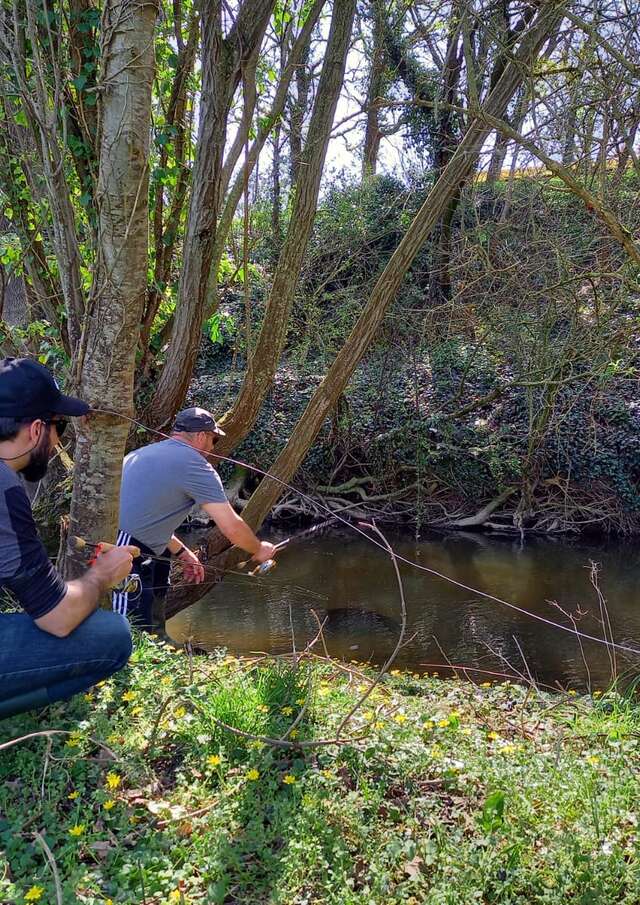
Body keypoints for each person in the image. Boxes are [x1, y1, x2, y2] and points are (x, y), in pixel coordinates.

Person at [0, 358, 137, 720]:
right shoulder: (5, 489)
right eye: (59, 426)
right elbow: (58, 618)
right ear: (35, 430)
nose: (60, 439)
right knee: (111, 636)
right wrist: (103, 575)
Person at [113, 406, 277, 634]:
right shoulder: (195, 465)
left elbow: (145, 517)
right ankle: (124, 663)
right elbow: (230, 526)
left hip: (135, 541)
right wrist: (258, 549)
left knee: (148, 613)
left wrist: (182, 552)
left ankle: (156, 647)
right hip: (124, 547)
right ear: (201, 436)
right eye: (213, 440)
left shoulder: (145, 453)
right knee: (126, 623)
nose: (211, 449)